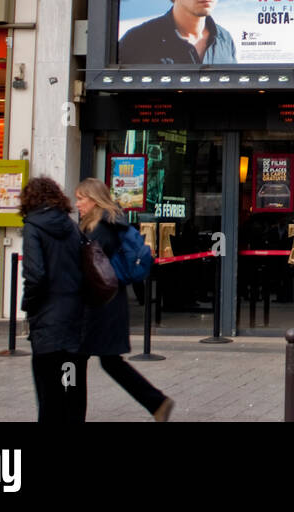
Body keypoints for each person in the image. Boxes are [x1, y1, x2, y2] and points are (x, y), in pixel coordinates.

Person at [74, 178, 175, 421]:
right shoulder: (108, 222)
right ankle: (157, 402)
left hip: (100, 304)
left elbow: (89, 267)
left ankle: (156, 402)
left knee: (79, 359)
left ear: (94, 199)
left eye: (81, 199)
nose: (77, 204)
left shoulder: (102, 227)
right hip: (108, 301)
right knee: (107, 361)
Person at [21, 176, 87, 423]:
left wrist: (29, 304)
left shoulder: (33, 227)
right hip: (75, 322)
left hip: (48, 324)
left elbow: (35, 274)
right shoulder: (71, 226)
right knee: (71, 388)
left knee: (49, 396)